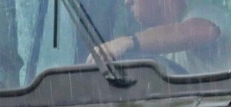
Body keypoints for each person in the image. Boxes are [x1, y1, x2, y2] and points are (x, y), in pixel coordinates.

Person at [91, 0, 231, 73]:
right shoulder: (156, 43)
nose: (127, 2)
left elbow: (205, 31)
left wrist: (127, 42)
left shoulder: (205, 12)